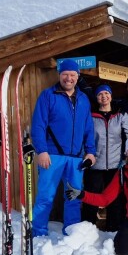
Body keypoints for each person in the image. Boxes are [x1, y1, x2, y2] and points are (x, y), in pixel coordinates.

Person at [31, 58, 96, 236]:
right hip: (52, 155)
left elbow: (88, 128)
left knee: (73, 198)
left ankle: (71, 232)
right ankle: (38, 233)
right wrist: (42, 151)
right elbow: (38, 125)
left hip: (76, 158)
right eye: (65, 74)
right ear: (59, 75)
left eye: (72, 75)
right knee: (45, 197)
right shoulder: (48, 95)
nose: (69, 78)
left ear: (78, 76)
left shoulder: (83, 99)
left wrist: (90, 152)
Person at [81, 84, 128, 231]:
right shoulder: (91, 116)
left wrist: (126, 157)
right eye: (100, 94)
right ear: (96, 98)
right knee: (91, 198)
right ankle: (88, 228)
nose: (104, 96)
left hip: (115, 165)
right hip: (95, 165)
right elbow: (85, 137)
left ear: (111, 96)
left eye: (106, 94)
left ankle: (113, 228)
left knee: (115, 199)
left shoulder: (121, 115)